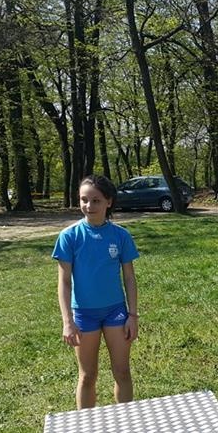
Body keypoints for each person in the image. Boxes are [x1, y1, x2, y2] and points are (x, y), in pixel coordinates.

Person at [53, 175, 140, 409]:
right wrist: (67, 321)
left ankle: (126, 421)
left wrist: (133, 315)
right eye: (84, 200)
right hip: (84, 315)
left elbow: (129, 278)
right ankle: (87, 426)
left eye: (96, 200)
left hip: (115, 312)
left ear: (108, 202)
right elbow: (64, 282)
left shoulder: (121, 235)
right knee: (87, 376)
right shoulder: (69, 236)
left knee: (122, 371)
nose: (89, 206)